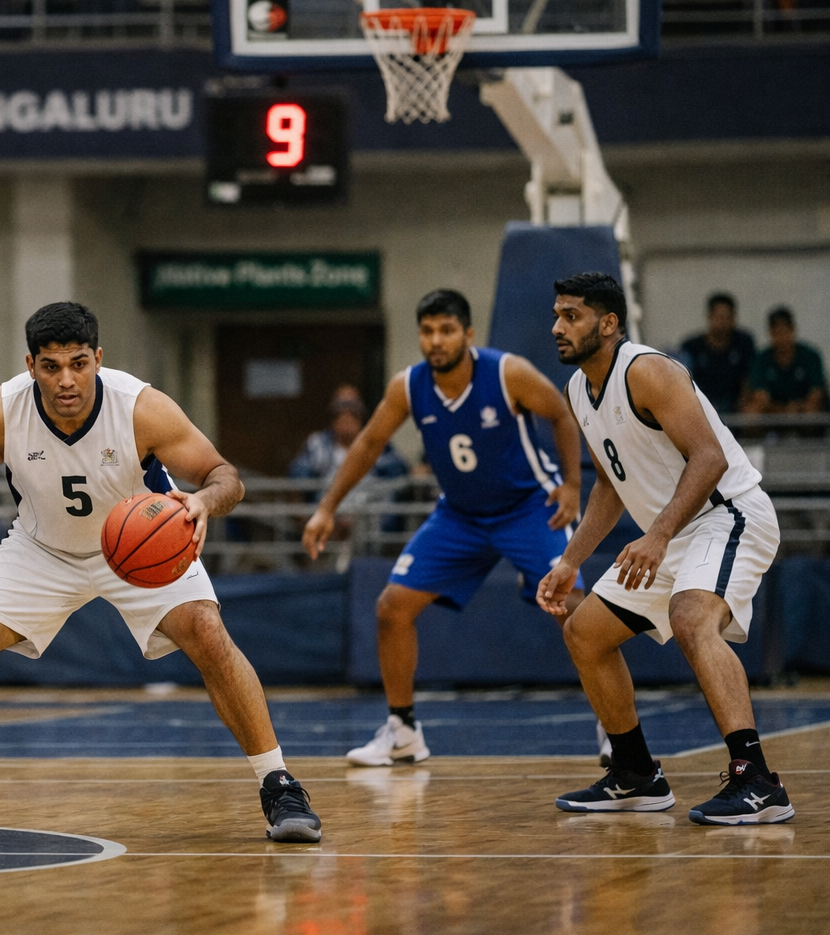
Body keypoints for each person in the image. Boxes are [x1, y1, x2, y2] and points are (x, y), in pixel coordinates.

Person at [0, 302, 322, 843]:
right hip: (41, 550)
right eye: (52, 366)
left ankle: (279, 783)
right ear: (31, 364)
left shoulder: (140, 408)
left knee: (208, 634)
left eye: (79, 363)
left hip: (142, 546)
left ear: (98, 359)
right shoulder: (0, 411)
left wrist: (203, 501)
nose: (66, 379)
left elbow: (226, 476)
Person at [541, 272, 792, 825]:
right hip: (670, 532)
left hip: (728, 515)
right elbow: (611, 482)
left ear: (608, 323)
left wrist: (656, 534)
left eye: (571, 316)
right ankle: (635, 774)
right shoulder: (579, 388)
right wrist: (571, 560)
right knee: (584, 633)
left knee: (690, 617)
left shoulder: (648, 370)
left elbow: (709, 457)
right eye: (557, 314)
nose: (557, 327)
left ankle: (758, 782)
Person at [303, 289, 591, 767]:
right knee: (392, 608)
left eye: (446, 330)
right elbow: (371, 442)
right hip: (460, 513)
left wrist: (572, 484)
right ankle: (402, 731)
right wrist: (327, 507)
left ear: (468, 334)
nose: (435, 340)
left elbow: (561, 413)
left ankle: (614, 730)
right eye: (427, 331)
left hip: (527, 506)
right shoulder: (408, 386)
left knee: (576, 611)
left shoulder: (507, 372)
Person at [289, 387, 408, 486]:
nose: (346, 416)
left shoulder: (377, 441)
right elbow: (296, 476)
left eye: (353, 411)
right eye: (340, 411)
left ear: (361, 416)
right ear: (333, 417)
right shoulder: (317, 443)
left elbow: (399, 472)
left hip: (370, 509)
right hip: (328, 509)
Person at [679, 293, 755, 415]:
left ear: (734, 318)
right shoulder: (692, 346)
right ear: (709, 316)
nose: (722, 322)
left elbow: (749, 377)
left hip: (735, 408)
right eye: (718, 317)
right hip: (700, 407)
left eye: (726, 317)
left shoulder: (744, 343)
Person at [743, 306, 826, 414]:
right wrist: (784, 410)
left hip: (802, 412)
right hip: (772, 413)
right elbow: (760, 397)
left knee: (812, 410)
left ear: (793, 329)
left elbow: (816, 393)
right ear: (770, 333)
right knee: (751, 413)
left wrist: (798, 408)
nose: (781, 338)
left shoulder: (810, 356)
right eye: (776, 332)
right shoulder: (762, 359)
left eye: (785, 331)